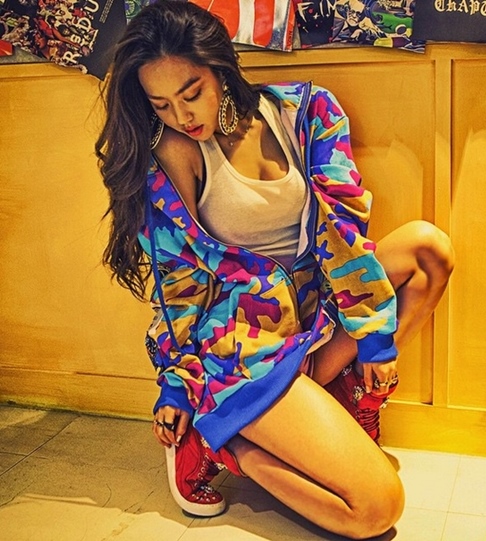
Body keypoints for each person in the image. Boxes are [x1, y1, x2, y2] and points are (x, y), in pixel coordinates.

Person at [95, 1, 454, 538]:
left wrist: (375, 340)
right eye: (161, 104)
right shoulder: (173, 152)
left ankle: (346, 393)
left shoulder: (304, 113)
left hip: (315, 310)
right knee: (377, 509)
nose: (182, 116)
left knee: (428, 248)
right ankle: (225, 445)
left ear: (221, 66)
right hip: (246, 341)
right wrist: (177, 384)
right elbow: (179, 284)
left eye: (191, 93)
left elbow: (344, 233)